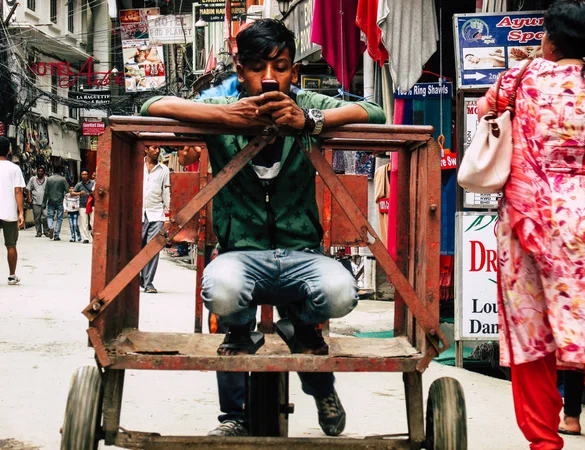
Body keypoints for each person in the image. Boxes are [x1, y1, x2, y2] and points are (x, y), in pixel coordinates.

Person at [141, 19, 386, 437]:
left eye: (282, 67)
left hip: (301, 253)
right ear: (241, 71)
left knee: (340, 293)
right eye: (257, 67)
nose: (270, 78)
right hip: (239, 252)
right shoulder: (222, 99)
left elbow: (376, 113)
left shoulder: (304, 100)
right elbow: (150, 107)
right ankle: (233, 415)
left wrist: (309, 121)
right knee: (224, 298)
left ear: (293, 70)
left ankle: (312, 365)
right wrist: (225, 116)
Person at [476, 2, 585, 448]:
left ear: (550, 40)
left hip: (529, 221)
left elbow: (485, 117)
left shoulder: (521, 77)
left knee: (532, 340)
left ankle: (544, 442)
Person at [141, 145, 170, 294]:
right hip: (138, 213)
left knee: (153, 248)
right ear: (146, 150)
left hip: (156, 214)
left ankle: (148, 283)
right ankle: (139, 276)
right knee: (137, 248)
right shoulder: (137, 166)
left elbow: (166, 192)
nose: (157, 151)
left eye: (158, 148)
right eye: (154, 148)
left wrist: (169, 213)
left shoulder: (164, 170)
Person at [0, 136, 25, 285]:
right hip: (9, 211)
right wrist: (21, 212)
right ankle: (11, 276)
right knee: (11, 245)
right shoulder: (15, 168)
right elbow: (18, 192)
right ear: (9, 151)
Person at [43, 163, 69, 241]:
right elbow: (67, 189)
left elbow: (46, 192)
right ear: (60, 170)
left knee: (50, 216)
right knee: (59, 218)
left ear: (53, 170)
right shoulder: (63, 179)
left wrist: (44, 202)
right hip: (59, 201)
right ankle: (56, 235)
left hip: (51, 200)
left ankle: (51, 227)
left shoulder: (49, 179)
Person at [73, 169, 95, 243]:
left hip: (92, 204)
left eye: (85, 174)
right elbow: (72, 193)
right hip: (83, 205)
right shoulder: (79, 184)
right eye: (83, 174)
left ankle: (93, 233)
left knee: (93, 222)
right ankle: (86, 238)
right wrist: (79, 193)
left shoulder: (93, 183)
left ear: (88, 175)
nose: (84, 176)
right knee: (84, 222)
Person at [26, 166, 49, 237]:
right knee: (37, 218)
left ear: (44, 172)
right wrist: (29, 198)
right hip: (35, 201)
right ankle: (38, 232)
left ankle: (46, 231)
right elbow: (29, 189)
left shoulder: (47, 179)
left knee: (45, 216)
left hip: (45, 201)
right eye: (39, 171)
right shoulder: (32, 179)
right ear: (37, 172)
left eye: (42, 171)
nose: (40, 172)